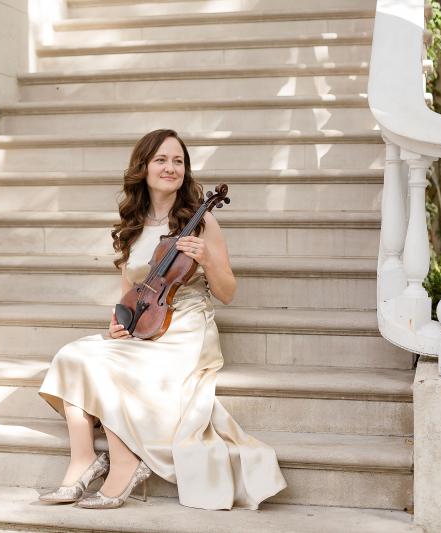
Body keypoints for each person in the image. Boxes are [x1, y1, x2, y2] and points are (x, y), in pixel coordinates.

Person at [37, 129, 287, 510]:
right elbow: (130, 290)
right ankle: (83, 459)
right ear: (144, 167)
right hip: (145, 324)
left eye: (178, 161)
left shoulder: (201, 221)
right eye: (161, 160)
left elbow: (228, 292)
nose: (171, 168)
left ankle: (124, 464)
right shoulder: (134, 224)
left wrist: (207, 259)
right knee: (72, 355)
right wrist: (118, 322)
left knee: (107, 368)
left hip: (186, 330)